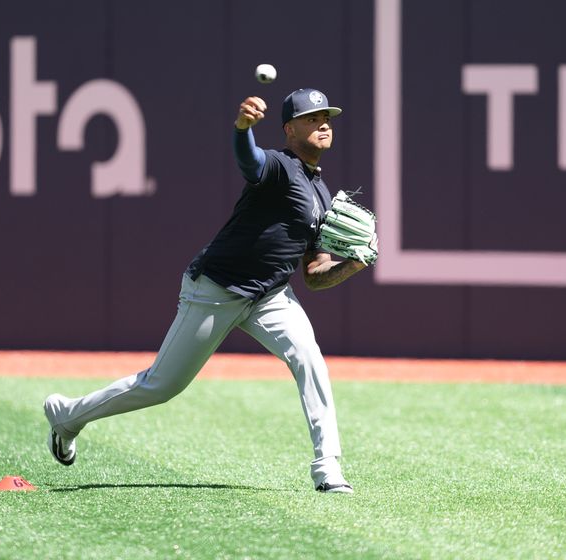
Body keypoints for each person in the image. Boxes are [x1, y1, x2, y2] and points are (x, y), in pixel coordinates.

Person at [43, 88, 371, 493]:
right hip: (217, 286)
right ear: (288, 129)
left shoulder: (321, 192)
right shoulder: (280, 166)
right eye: (311, 118)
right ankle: (68, 416)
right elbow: (249, 161)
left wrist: (354, 262)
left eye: (327, 118)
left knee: (310, 359)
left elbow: (315, 274)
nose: (323, 124)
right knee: (161, 385)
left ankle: (328, 468)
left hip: (269, 296)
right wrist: (242, 128)